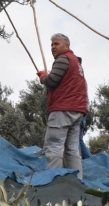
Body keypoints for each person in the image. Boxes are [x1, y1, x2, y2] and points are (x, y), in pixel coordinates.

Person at [37, 33, 88, 179]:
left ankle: (54, 182)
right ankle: (77, 182)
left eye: (56, 44)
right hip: (77, 110)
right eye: (52, 44)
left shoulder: (63, 59)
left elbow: (52, 81)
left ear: (66, 46)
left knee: (54, 146)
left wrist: (42, 77)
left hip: (62, 109)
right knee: (72, 149)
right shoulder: (76, 62)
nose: (53, 47)